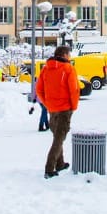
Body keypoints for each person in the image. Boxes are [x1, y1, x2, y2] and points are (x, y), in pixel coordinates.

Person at [35, 45, 80, 178]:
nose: (70, 57)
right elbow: (74, 90)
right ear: (65, 55)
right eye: (69, 54)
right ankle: (49, 168)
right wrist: (73, 106)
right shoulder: (69, 69)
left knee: (57, 136)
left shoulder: (45, 69)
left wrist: (47, 103)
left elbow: (39, 90)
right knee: (59, 139)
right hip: (65, 108)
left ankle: (60, 163)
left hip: (52, 108)